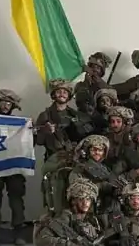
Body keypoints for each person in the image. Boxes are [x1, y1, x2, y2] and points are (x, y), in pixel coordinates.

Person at [35, 79, 94, 213]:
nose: (62, 94)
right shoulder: (45, 116)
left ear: (69, 96)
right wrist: (45, 132)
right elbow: (38, 141)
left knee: (77, 193)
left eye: (65, 92)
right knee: (55, 195)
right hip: (54, 159)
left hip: (74, 159)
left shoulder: (76, 115)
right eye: (58, 91)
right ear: (53, 95)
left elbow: (85, 138)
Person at [0, 89, 27, 245]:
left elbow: (28, 142)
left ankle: (19, 233)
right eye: (2, 102)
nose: (6, 105)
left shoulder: (20, 124)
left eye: (9, 103)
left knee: (16, 200)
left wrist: (31, 129)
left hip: (14, 166)